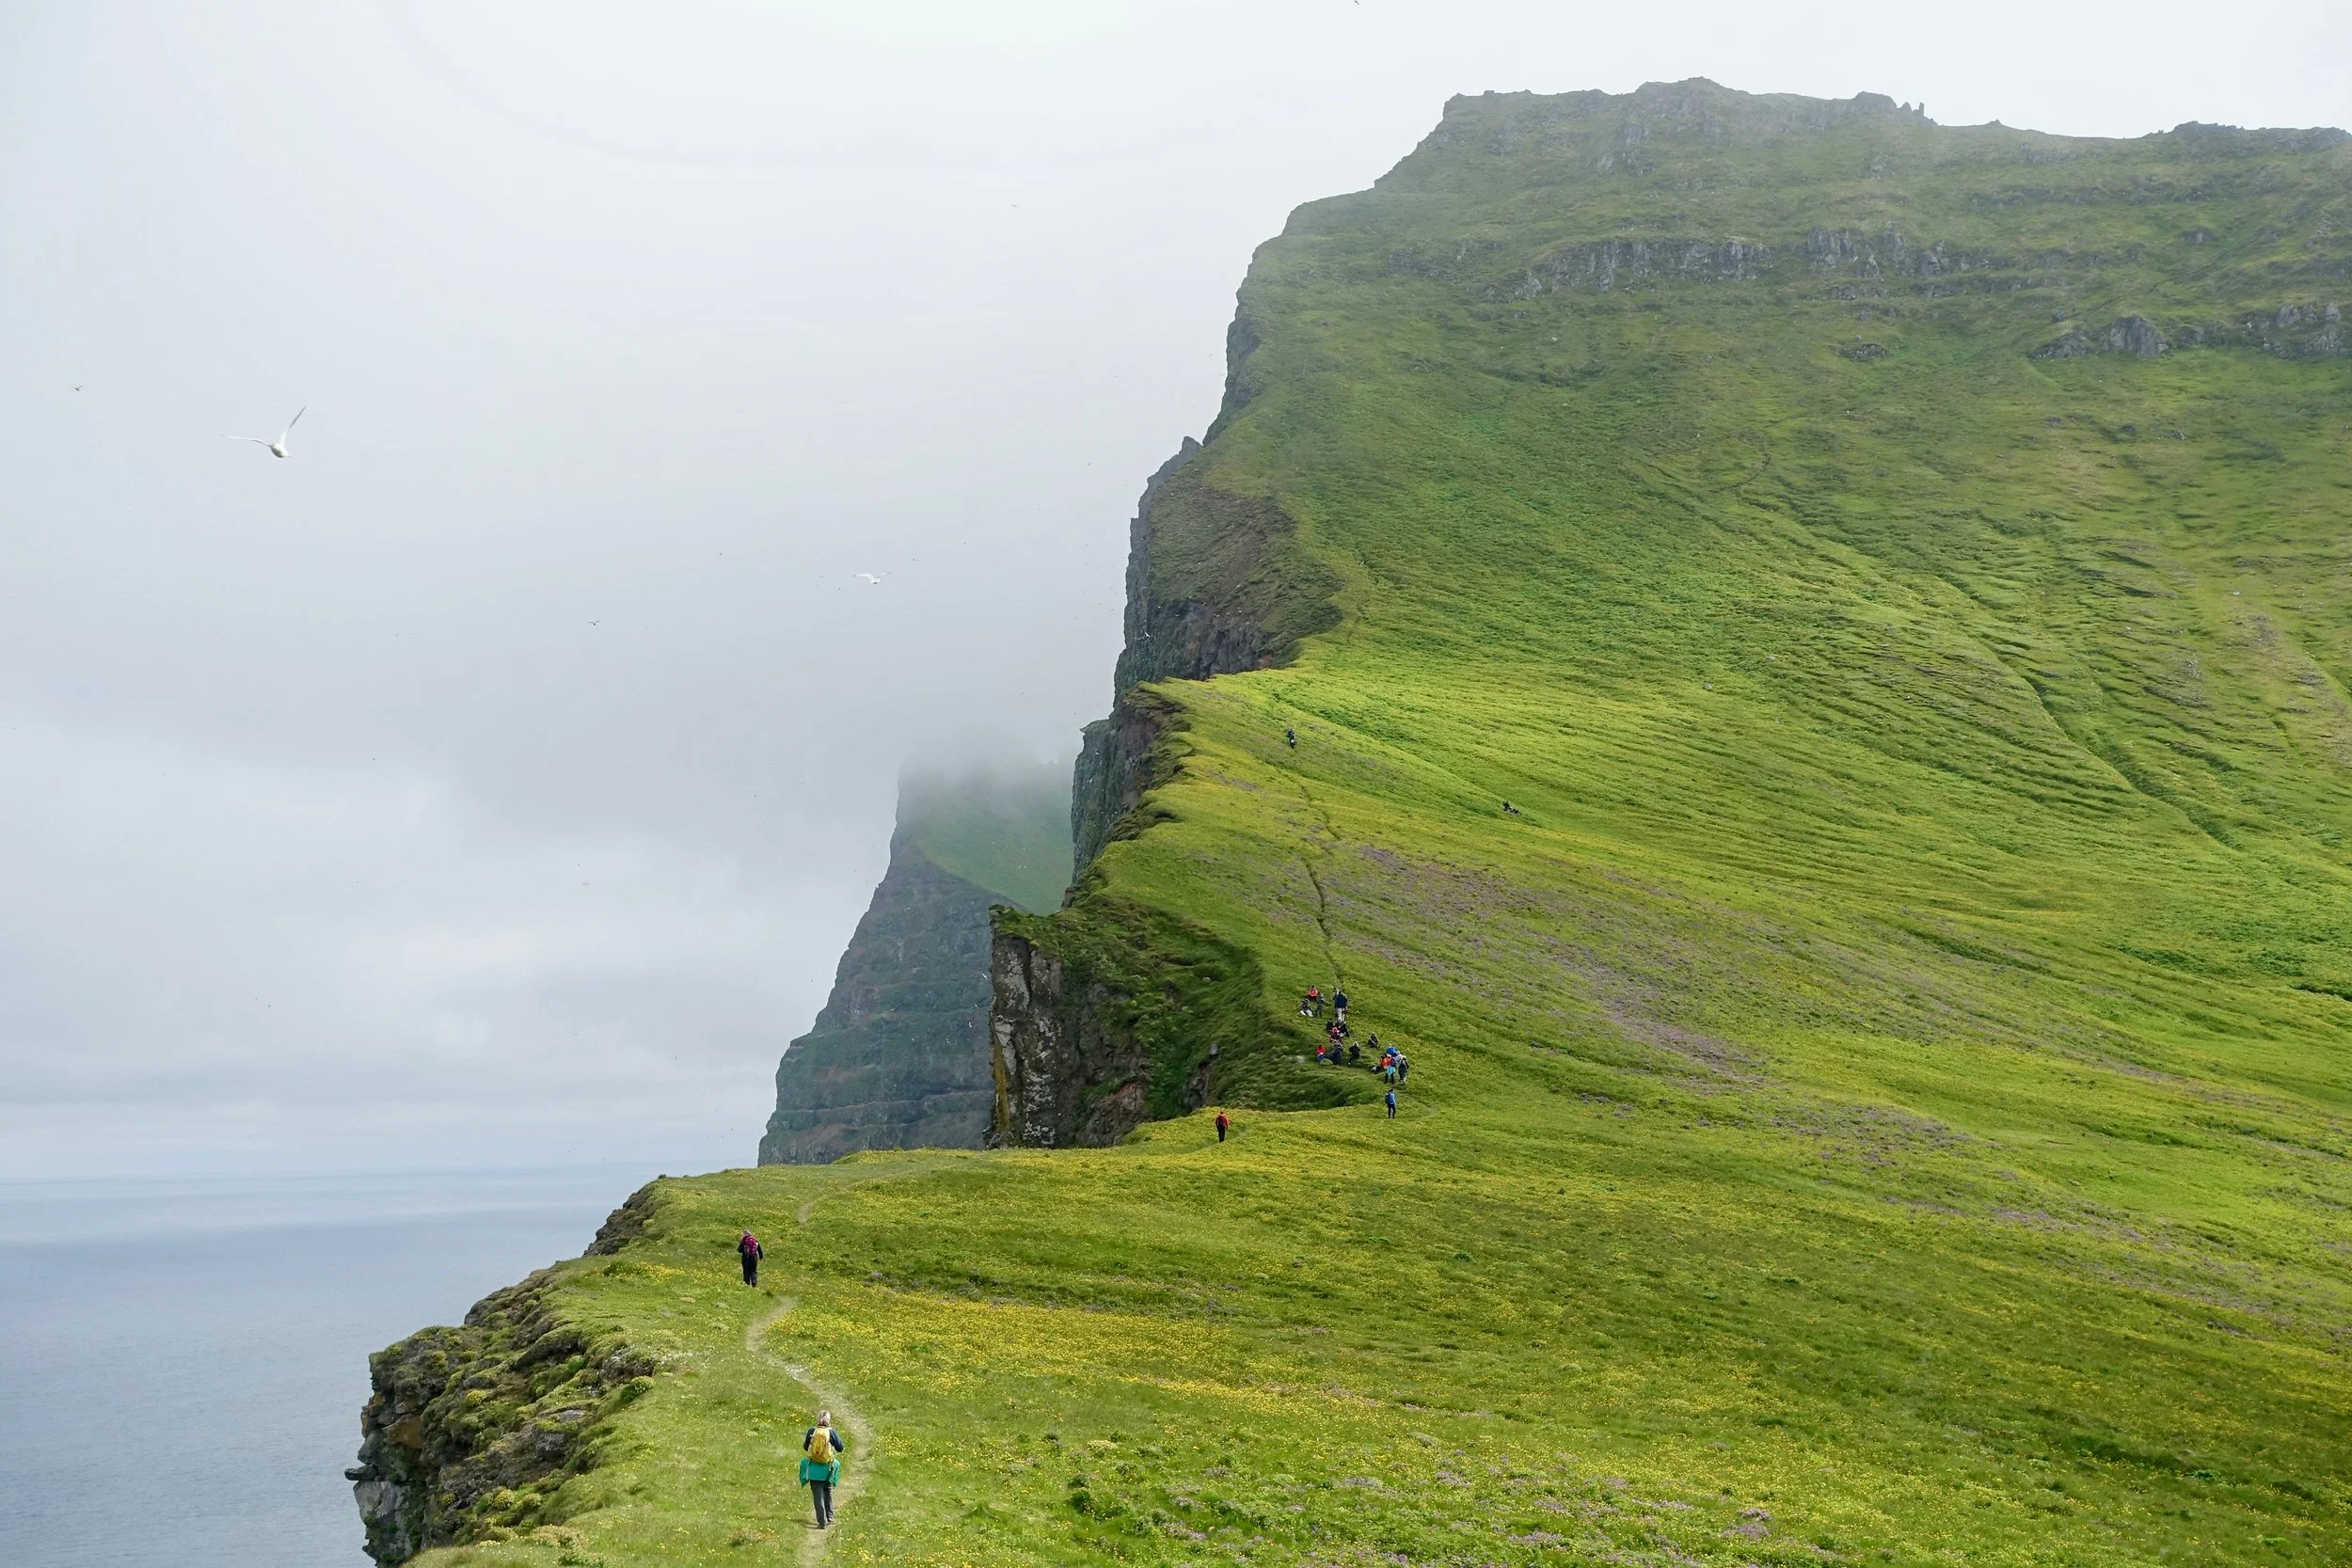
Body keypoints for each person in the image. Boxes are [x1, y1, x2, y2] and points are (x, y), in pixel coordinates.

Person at [802, 1411, 845, 1528]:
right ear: (829, 1420)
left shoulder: (812, 1431)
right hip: (828, 1468)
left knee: (818, 1496)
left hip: (814, 1469)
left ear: (818, 1419)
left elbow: (805, 1447)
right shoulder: (831, 1432)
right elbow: (840, 1448)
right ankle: (830, 1516)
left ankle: (822, 1522)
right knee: (828, 1491)